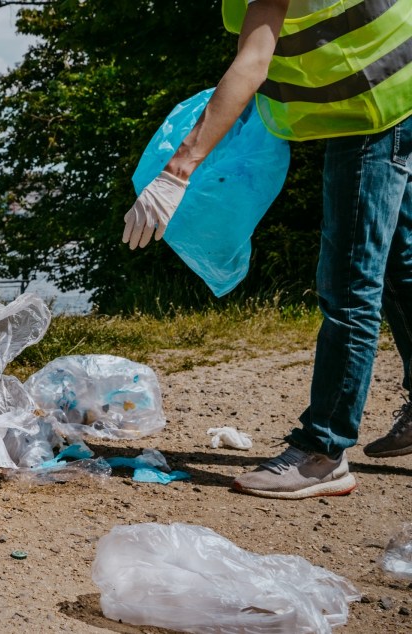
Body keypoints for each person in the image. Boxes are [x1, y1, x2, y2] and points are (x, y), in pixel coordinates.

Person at [123, 0, 412, 499]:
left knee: (349, 282)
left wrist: (179, 170)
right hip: (395, 90)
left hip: (371, 109)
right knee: (398, 266)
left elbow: (254, 61)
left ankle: (323, 452)